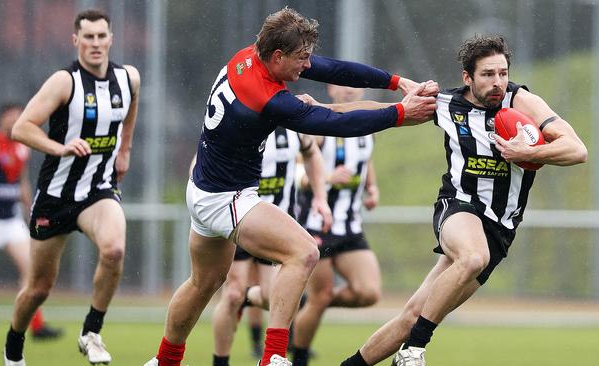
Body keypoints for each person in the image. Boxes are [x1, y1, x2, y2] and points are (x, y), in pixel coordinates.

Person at [144, 6, 438, 366]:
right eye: (301, 59)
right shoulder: (266, 98)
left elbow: (332, 67)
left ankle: (164, 360)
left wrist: (396, 83)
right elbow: (334, 123)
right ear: (279, 56)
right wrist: (400, 115)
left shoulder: (251, 55)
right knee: (304, 253)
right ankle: (272, 358)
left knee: (204, 283)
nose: (306, 66)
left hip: (204, 190)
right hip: (227, 198)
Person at [338, 35, 587, 366]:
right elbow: (378, 111)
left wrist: (529, 152)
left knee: (413, 315)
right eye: (487, 74)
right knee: (471, 257)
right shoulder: (446, 105)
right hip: (458, 207)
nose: (497, 82)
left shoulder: (522, 102)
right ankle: (413, 351)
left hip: (500, 229)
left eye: (502, 73)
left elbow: (577, 149)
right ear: (467, 77)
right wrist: (317, 111)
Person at [3, 9, 141, 366]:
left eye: (101, 36)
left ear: (111, 38)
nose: (95, 43)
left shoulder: (129, 79)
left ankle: (91, 332)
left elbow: (131, 109)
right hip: (56, 195)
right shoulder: (64, 82)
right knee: (38, 289)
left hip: (98, 189)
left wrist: (124, 150)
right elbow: (22, 127)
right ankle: (13, 349)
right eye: (88, 37)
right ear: (75, 40)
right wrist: (59, 147)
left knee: (113, 250)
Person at [211, 128, 332, 366]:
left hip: (276, 227)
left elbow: (312, 153)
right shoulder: (238, 118)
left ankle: (249, 297)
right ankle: (221, 362)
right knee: (232, 293)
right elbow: (200, 162)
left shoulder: (294, 125)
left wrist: (320, 197)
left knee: (272, 297)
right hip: (240, 220)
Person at [289, 85, 382, 366]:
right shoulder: (320, 127)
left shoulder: (366, 127)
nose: (351, 91)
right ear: (331, 90)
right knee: (321, 294)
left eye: (356, 86)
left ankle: (305, 305)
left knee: (368, 293)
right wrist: (327, 178)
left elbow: (366, 160)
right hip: (318, 225)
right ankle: (299, 359)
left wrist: (372, 187)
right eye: (344, 86)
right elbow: (297, 171)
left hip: (350, 226)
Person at [0, 103, 63, 341]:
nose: (15, 120)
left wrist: (30, 210)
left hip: (10, 220)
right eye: (11, 117)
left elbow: (22, 181)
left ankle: (36, 327)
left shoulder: (22, 148)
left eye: (19, 116)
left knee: (32, 270)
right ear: (1, 119)